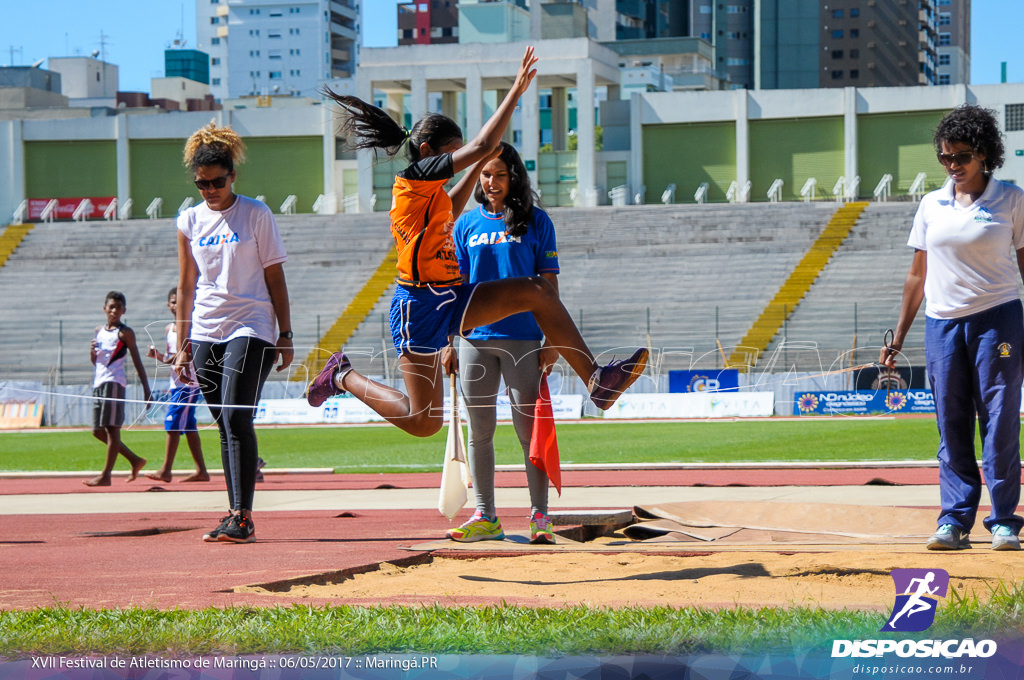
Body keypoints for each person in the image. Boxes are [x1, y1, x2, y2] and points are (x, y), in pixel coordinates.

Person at [308, 46, 648, 441]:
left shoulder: (430, 197)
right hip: (417, 306)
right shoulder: (414, 178)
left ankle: (597, 381)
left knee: (537, 291)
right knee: (424, 422)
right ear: (426, 153)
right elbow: (484, 146)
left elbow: (452, 206)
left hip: (450, 296)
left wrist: (471, 163)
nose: (457, 161)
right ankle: (342, 375)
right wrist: (516, 93)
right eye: (451, 155)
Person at [881, 104, 1024, 551]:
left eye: (960, 156)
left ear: (984, 153)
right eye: (945, 158)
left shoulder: (1012, 199)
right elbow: (917, 276)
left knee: (999, 420)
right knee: (951, 420)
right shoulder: (931, 204)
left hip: (998, 320)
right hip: (942, 325)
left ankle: (1003, 519)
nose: (952, 165)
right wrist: (899, 336)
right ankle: (955, 520)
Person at [174, 122, 294, 543]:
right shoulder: (189, 220)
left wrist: (286, 333)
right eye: (202, 183)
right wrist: (182, 343)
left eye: (218, 182)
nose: (210, 190)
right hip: (207, 327)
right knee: (222, 422)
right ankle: (233, 512)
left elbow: (275, 276)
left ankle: (244, 517)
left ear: (233, 176)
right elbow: (186, 285)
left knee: (236, 415)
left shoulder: (256, 214)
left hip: (253, 323)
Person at [441, 142, 560, 544]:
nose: (492, 182)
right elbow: (452, 288)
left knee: (529, 433)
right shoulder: (465, 225)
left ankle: (540, 516)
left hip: (524, 339)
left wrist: (555, 338)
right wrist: (448, 342)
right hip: (473, 340)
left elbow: (549, 285)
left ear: (515, 179)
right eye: (486, 174)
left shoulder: (537, 222)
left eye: (500, 175)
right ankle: (486, 515)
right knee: (481, 432)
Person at [86, 291, 151, 487]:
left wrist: (147, 389)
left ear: (124, 310)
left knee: (112, 430)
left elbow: (137, 361)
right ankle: (134, 460)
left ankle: (106, 475)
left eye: (118, 307)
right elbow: (96, 362)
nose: (114, 311)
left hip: (114, 383)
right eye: (111, 307)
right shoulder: (99, 331)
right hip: (98, 382)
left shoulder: (124, 333)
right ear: (104, 308)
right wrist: (91, 352)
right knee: (97, 431)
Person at [145, 287, 209, 483]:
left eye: (180, 302)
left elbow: (189, 354)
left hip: (188, 384)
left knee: (172, 424)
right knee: (189, 427)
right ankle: (201, 471)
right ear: (168, 305)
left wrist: (168, 358)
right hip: (175, 383)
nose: (176, 306)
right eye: (173, 302)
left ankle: (166, 470)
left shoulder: (191, 326)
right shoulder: (169, 329)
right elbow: (171, 358)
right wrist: (159, 357)